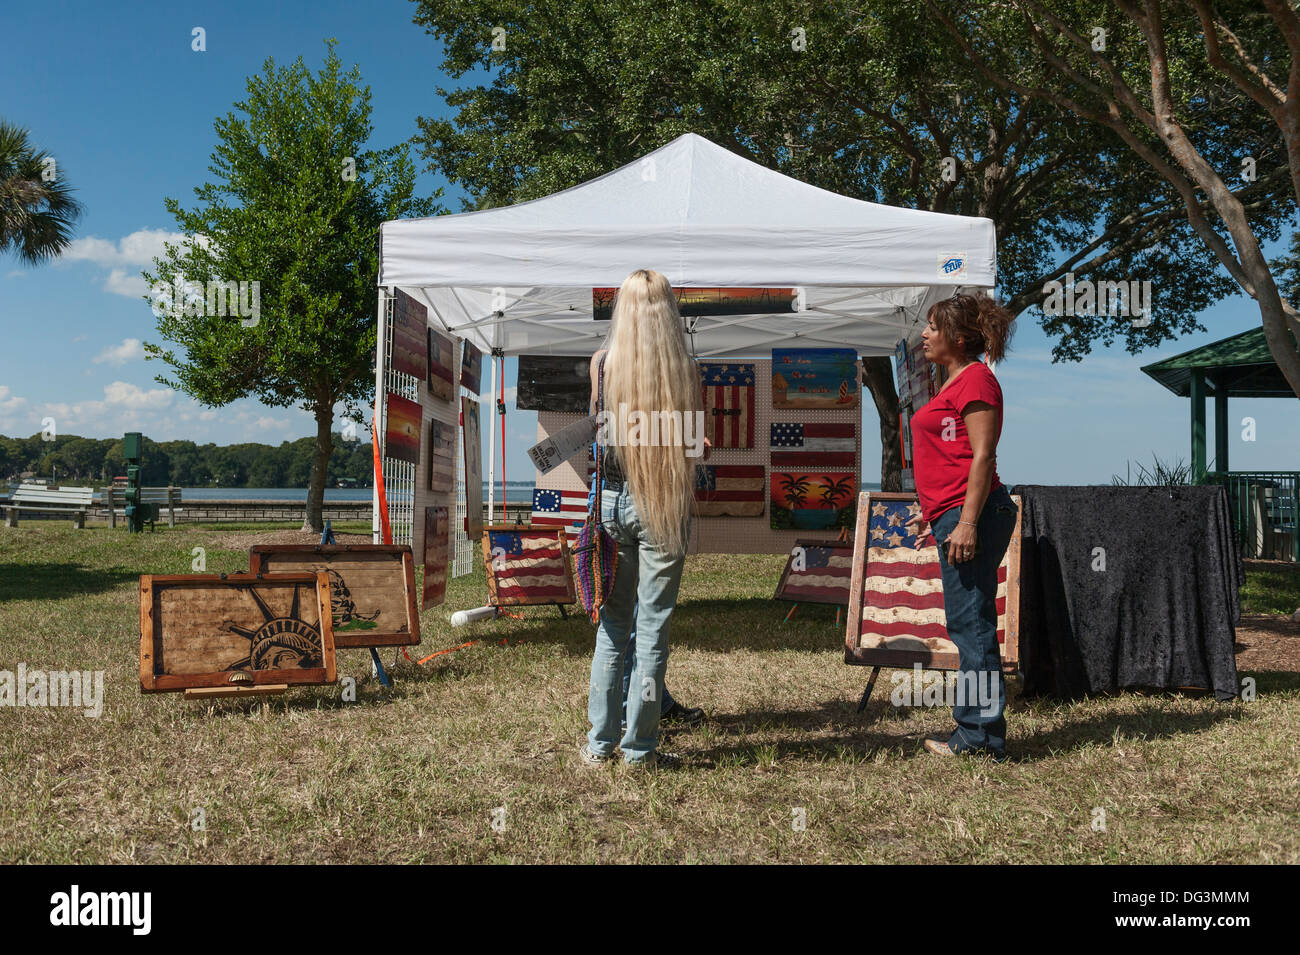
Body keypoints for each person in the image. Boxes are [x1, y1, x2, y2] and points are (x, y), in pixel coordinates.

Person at [579, 269, 702, 769]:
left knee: (611, 626)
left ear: (622, 310)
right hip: (661, 502)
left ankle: (599, 744)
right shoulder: (684, 368)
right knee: (651, 630)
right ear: (668, 311)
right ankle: (639, 749)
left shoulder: (602, 364)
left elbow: (598, 431)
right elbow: (694, 445)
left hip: (611, 501)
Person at [904, 292, 1017, 761]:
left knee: (972, 625)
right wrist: (927, 507)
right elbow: (949, 457)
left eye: (933, 327)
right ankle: (975, 732)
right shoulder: (954, 383)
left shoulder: (976, 381)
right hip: (952, 511)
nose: (925, 335)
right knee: (967, 623)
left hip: (974, 514)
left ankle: (981, 738)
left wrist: (966, 522)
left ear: (958, 336)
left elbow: (983, 455)